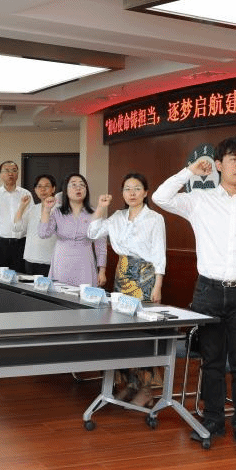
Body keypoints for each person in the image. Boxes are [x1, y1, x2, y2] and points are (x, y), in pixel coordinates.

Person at [153, 135, 236, 454]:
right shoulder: (200, 200)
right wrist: (189, 171)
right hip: (208, 291)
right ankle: (212, 421)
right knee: (211, 361)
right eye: (234, 159)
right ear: (219, 165)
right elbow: (160, 197)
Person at [89, 173, 168, 405]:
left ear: (146, 192)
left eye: (137, 188)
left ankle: (146, 389)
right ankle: (130, 384)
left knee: (143, 334)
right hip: (122, 275)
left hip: (145, 277)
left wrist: (158, 285)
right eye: (127, 189)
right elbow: (92, 233)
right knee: (122, 332)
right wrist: (101, 208)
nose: (131, 193)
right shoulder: (117, 216)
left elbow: (159, 254)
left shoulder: (155, 218)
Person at [37, 173, 106, 287]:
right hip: (61, 262)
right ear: (65, 190)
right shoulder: (57, 212)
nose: (78, 188)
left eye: (82, 185)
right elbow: (43, 234)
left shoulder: (94, 213)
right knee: (60, 294)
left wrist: (102, 271)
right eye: (73, 185)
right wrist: (46, 210)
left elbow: (101, 244)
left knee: (84, 294)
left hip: (85, 263)